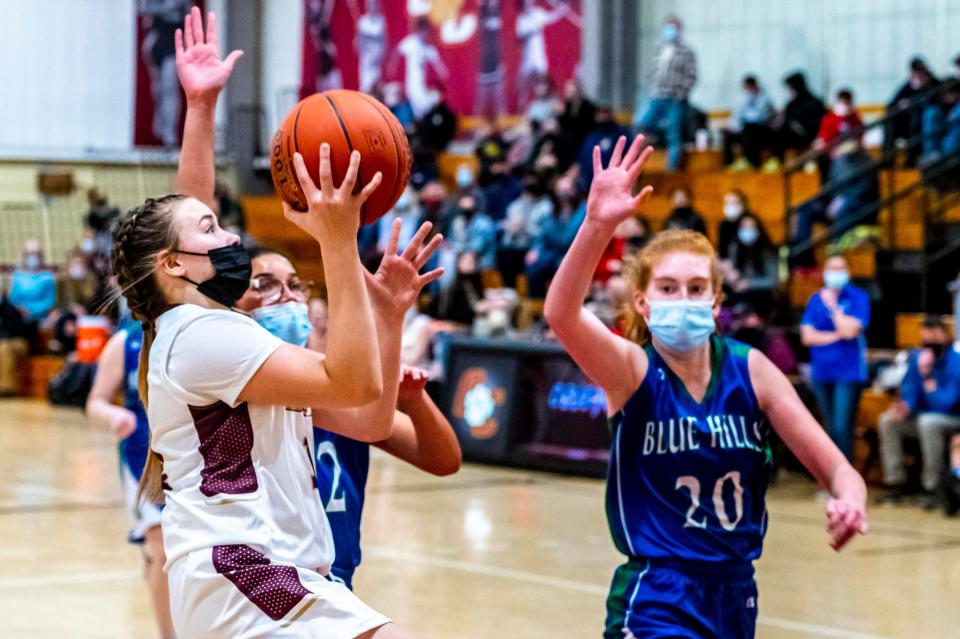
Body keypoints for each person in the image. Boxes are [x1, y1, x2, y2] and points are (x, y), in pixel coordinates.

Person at [111, 10, 412, 636]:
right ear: (172, 265)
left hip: (269, 573)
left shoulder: (216, 336)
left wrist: (200, 109)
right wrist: (338, 242)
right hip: (246, 569)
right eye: (214, 231)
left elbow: (369, 418)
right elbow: (354, 384)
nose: (230, 240)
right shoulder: (202, 336)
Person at [544, 134, 867, 638]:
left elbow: (835, 467)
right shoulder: (631, 371)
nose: (684, 299)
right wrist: (597, 226)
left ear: (716, 303)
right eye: (668, 289)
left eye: (697, 289)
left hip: (736, 594)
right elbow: (560, 314)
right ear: (644, 304)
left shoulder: (752, 370)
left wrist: (850, 497)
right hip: (657, 593)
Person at [234, 234, 460, 590]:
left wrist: (415, 401)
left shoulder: (344, 394)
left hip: (335, 585)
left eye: (295, 285)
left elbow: (444, 460)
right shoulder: (236, 384)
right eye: (265, 285)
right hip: (264, 587)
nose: (288, 297)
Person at [86, 318, 174, 639]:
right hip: (142, 457)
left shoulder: (199, 326)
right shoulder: (125, 341)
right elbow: (95, 402)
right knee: (163, 549)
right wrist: (113, 415)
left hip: (194, 455)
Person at [877, 316, 960, 509]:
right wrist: (905, 406)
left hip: (952, 418)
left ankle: (932, 486)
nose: (930, 343)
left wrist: (928, 376)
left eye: (934, 338)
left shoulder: (955, 362)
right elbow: (911, 391)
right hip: (924, 416)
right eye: (926, 338)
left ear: (944, 337)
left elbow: (946, 402)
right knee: (888, 421)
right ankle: (895, 481)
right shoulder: (917, 359)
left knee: (928, 423)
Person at [800, 255, 871, 461]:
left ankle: (846, 478)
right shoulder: (815, 299)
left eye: (840, 268)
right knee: (829, 427)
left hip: (848, 372)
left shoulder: (858, 297)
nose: (836, 273)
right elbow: (807, 337)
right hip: (822, 371)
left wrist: (833, 308)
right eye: (832, 268)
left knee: (842, 426)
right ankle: (832, 477)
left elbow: (850, 332)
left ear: (847, 271)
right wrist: (838, 334)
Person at [634, 15, 697, 172]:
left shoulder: (686, 52)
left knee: (673, 135)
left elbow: (691, 76)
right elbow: (651, 73)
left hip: (674, 99)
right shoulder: (659, 49)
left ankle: (671, 170)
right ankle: (637, 162)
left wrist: (681, 92)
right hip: (656, 97)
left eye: (673, 27)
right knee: (640, 124)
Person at [139, 0, 192, 146]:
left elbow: (188, 12)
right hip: (157, 40)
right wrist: (163, 9)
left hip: (174, 42)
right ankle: (160, 122)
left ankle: (170, 135)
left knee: (170, 87)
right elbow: (143, 9)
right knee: (158, 89)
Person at [721, 213, 778, 315]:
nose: (747, 231)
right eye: (744, 227)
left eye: (750, 227)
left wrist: (749, 283)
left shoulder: (766, 251)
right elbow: (732, 274)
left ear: (758, 229)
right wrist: (729, 275)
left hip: (760, 294)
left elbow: (773, 280)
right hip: (739, 291)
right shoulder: (734, 247)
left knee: (761, 299)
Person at [393, 17, 448, 119]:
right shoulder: (410, 43)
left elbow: (439, 66)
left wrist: (443, 73)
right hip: (412, 85)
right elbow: (397, 51)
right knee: (418, 110)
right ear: (417, 29)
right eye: (422, 29)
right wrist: (392, 68)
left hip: (424, 86)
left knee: (426, 108)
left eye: (426, 30)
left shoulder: (429, 48)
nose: (424, 33)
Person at [515, 0, 565, 107]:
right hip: (527, 59)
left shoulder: (538, 13)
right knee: (523, 85)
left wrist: (562, 8)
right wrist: (532, 30)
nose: (528, 4)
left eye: (529, 2)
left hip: (539, 56)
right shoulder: (521, 20)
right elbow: (519, 38)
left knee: (544, 82)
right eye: (525, 3)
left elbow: (552, 17)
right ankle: (521, 107)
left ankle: (550, 105)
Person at [9, 240, 56, 347]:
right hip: (20, 319)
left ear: (40, 255)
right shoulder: (17, 276)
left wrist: (32, 312)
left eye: (35, 253)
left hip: (42, 318)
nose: (32, 257)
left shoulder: (47, 276)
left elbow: (50, 302)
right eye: (29, 253)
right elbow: (13, 300)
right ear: (24, 255)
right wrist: (22, 311)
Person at [722, 76, 776, 169]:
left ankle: (753, 164)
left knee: (750, 131)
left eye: (750, 87)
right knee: (728, 137)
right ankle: (728, 165)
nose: (748, 90)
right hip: (743, 129)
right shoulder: (741, 98)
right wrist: (734, 128)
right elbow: (736, 116)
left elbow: (762, 116)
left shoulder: (765, 97)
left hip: (760, 129)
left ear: (755, 85)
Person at [775, 71, 826, 158]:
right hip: (790, 139)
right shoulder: (791, 104)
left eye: (790, 88)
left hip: (807, 140)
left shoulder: (815, 103)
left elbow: (819, 126)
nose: (788, 91)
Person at [475, 0, 507, 120]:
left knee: (501, 109)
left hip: (497, 70)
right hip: (484, 72)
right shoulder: (482, 20)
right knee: (480, 108)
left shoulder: (500, 19)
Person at [306, 0, 343, 92]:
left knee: (336, 95)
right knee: (323, 97)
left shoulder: (323, 21)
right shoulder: (314, 27)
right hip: (323, 70)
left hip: (331, 67)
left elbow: (328, 7)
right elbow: (318, 46)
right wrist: (327, 47)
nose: (316, 4)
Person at [355, 0, 386, 94]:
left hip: (377, 65)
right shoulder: (362, 22)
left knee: (377, 92)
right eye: (370, 4)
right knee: (366, 91)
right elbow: (357, 44)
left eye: (374, 4)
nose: (372, 7)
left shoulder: (381, 21)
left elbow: (385, 42)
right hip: (366, 64)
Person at [717, 189, 749, 260]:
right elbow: (722, 249)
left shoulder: (749, 221)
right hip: (727, 265)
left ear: (742, 204)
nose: (730, 206)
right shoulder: (723, 224)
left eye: (734, 202)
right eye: (727, 203)